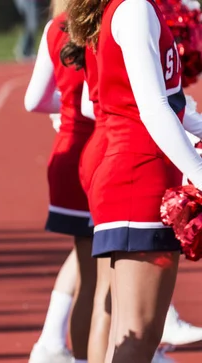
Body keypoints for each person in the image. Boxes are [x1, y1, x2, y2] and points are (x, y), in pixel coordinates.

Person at [66, 0, 202, 361]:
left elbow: (168, 103)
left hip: (129, 165)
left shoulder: (124, 7)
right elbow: (153, 107)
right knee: (139, 335)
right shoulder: (135, 7)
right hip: (138, 171)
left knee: (127, 330)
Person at [24, 0, 96, 361]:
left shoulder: (55, 28)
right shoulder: (109, 21)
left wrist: (66, 102)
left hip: (66, 155)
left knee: (91, 274)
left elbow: (33, 101)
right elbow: (98, 103)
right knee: (106, 281)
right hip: (103, 154)